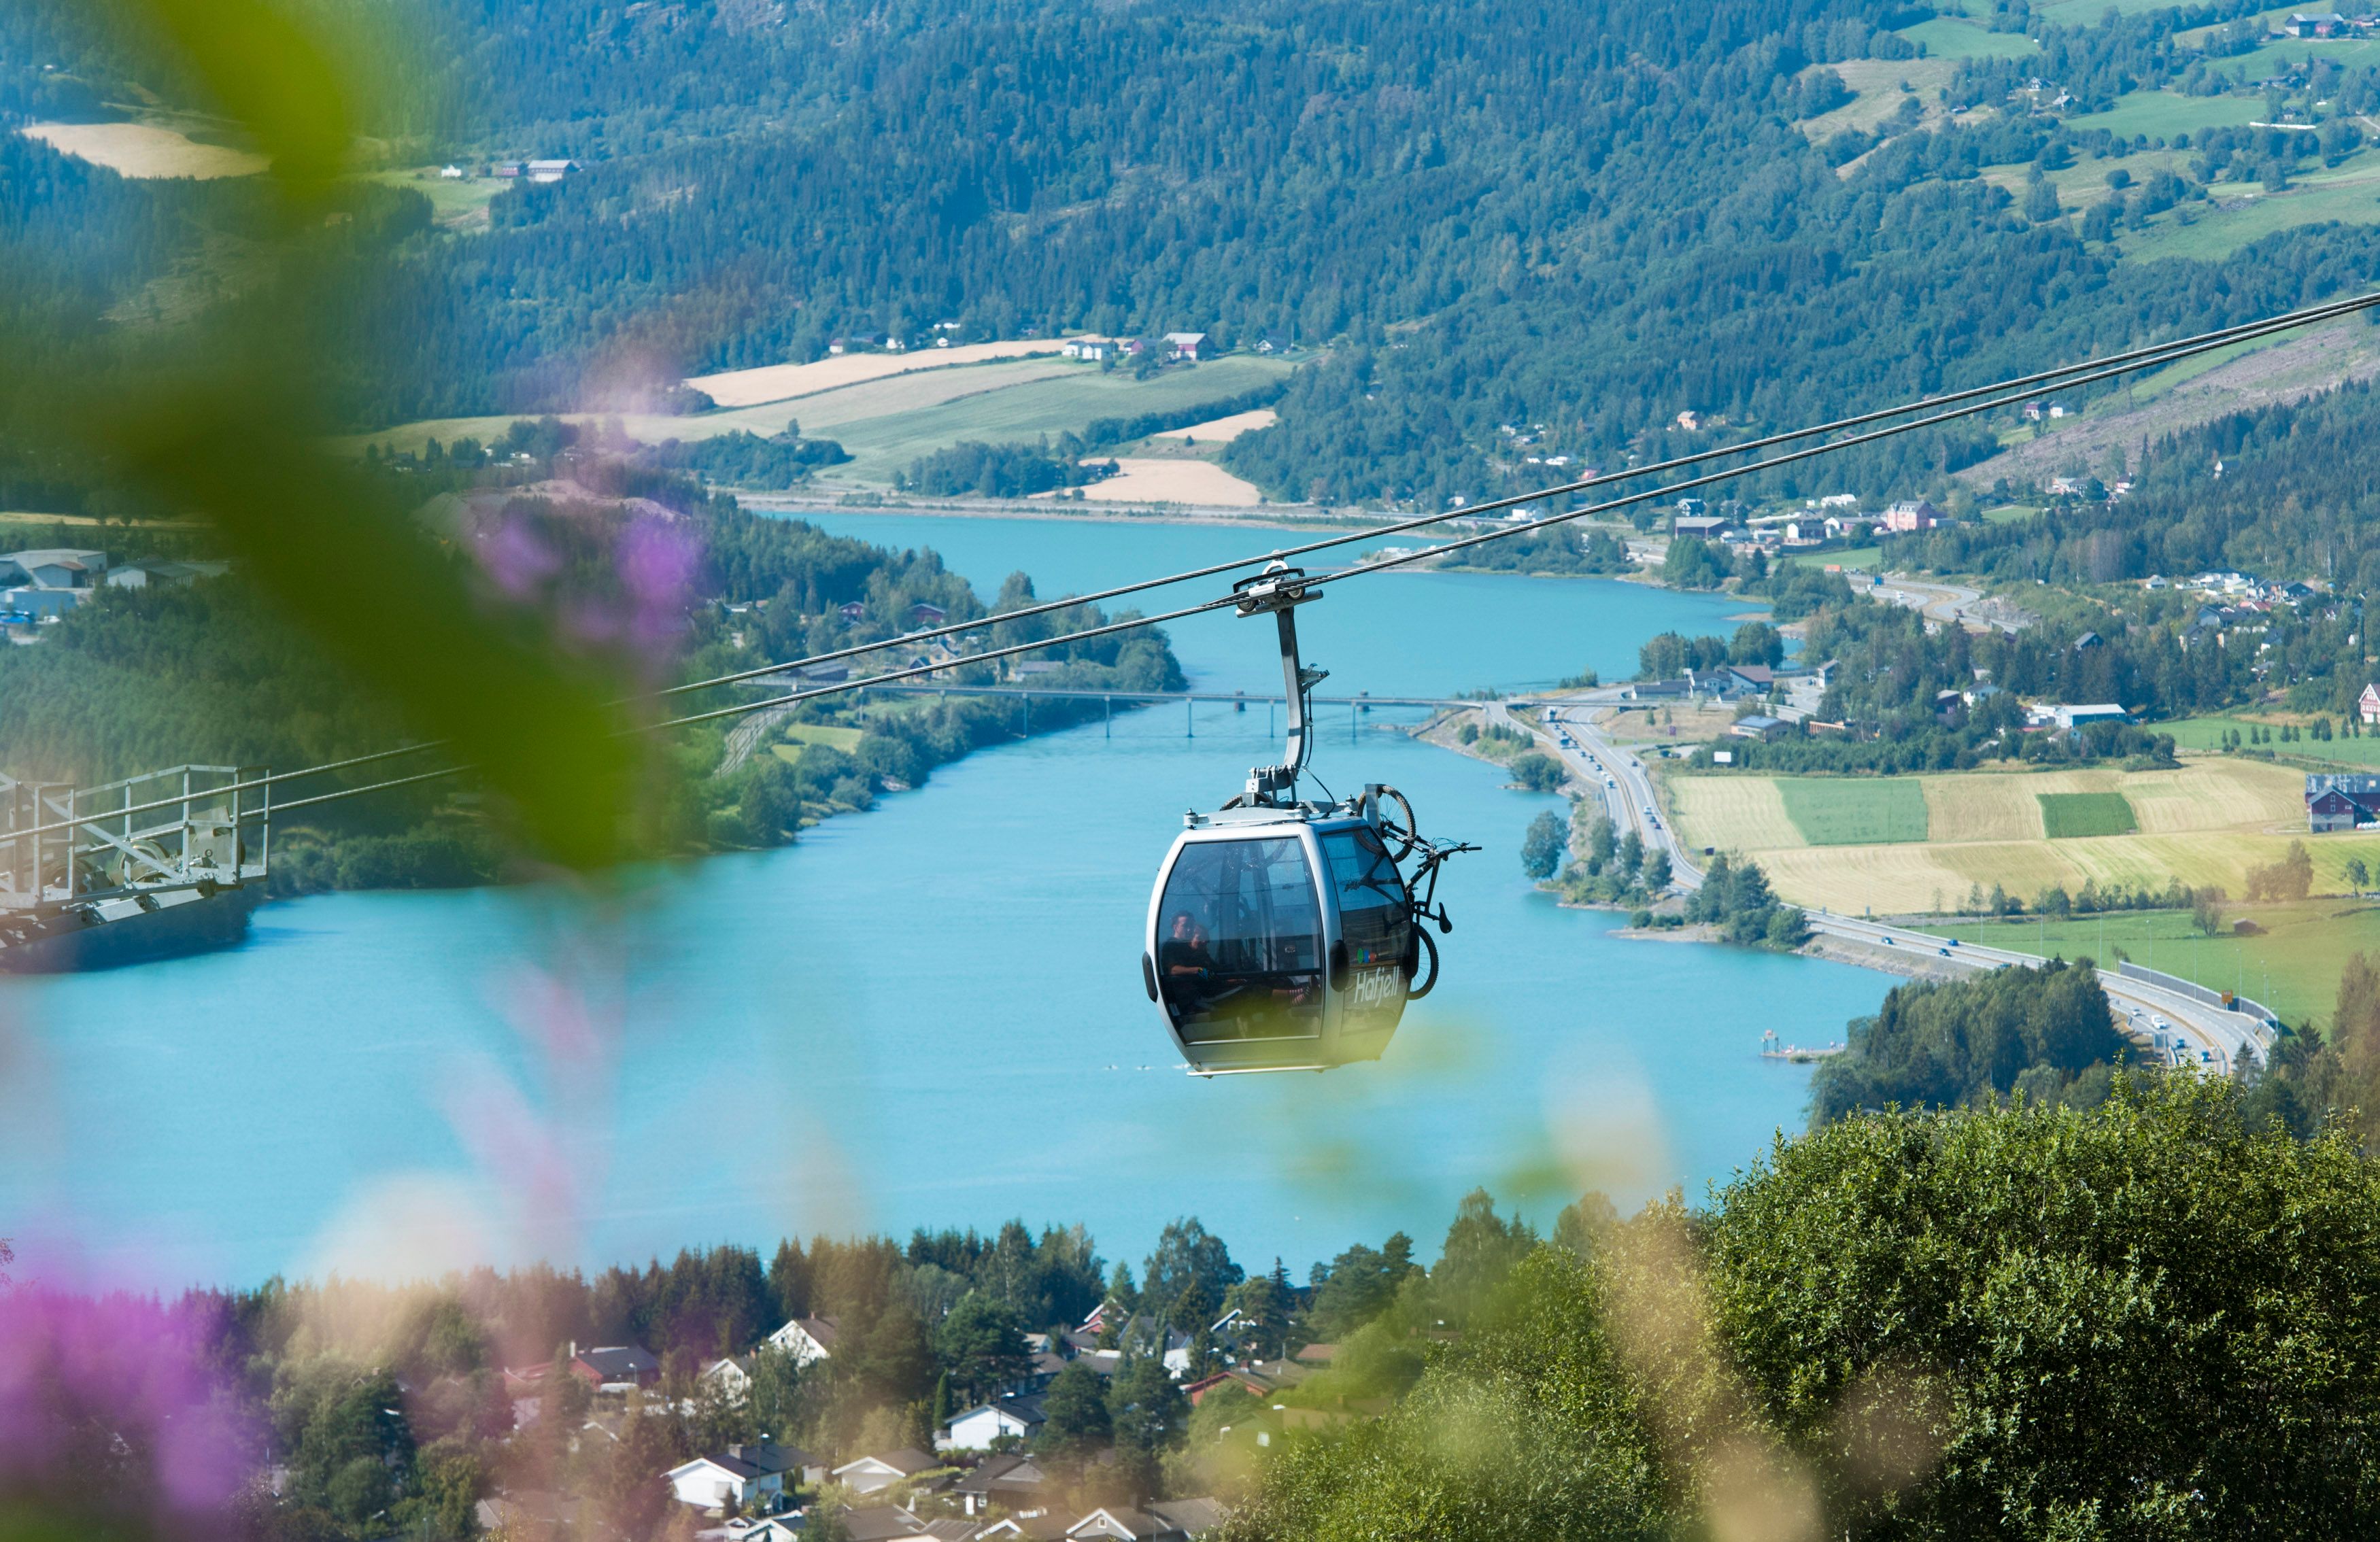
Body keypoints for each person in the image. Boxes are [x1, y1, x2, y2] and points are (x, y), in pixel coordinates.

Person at [1159, 912, 1214, 977]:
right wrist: (1199, 970)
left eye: (1191, 926)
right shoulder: (1170, 945)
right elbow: (1173, 970)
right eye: (1185, 926)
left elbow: (1213, 967)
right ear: (1175, 927)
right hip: (1180, 983)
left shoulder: (1188, 945)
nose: (1189, 929)